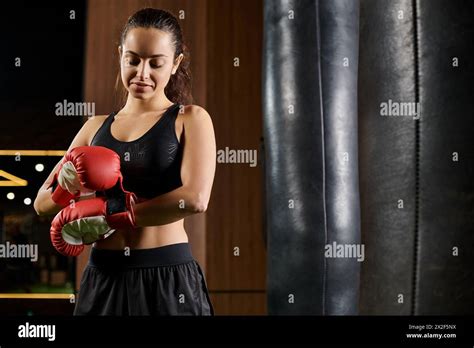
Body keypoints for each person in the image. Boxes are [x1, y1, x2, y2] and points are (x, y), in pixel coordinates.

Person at [33, 8, 216, 315]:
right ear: (120, 56)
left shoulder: (190, 119)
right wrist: (66, 187)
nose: (142, 73)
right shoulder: (94, 127)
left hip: (166, 276)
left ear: (176, 64)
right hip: (103, 276)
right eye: (132, 60)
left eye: (156, 63)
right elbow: (41, 204)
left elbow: (195, 199)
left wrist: (111, 216)